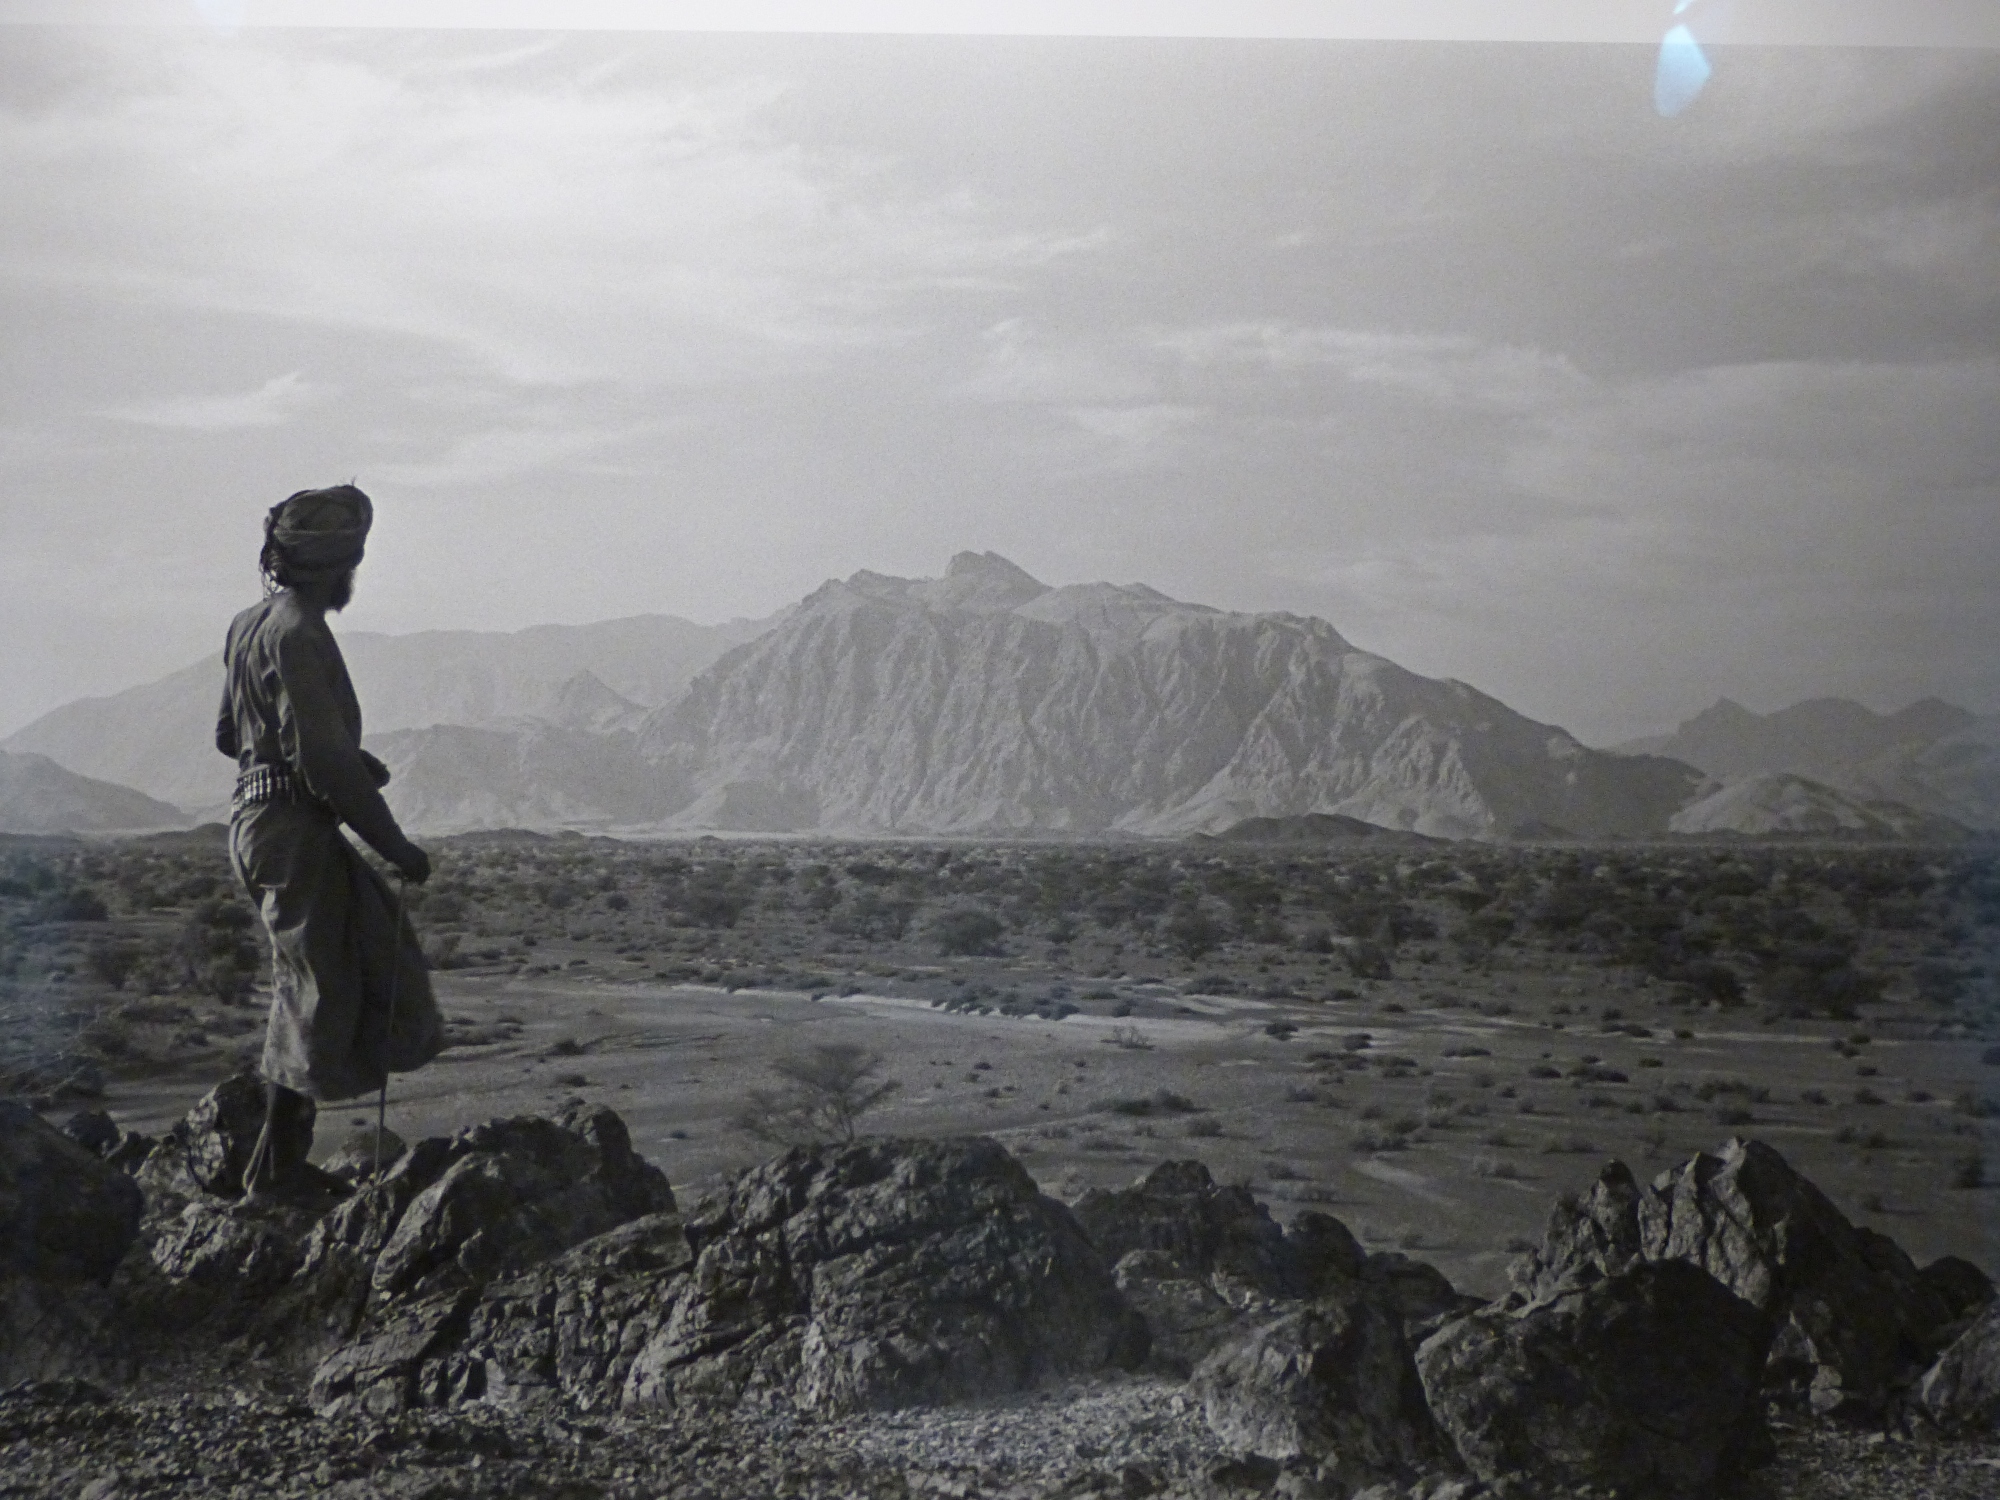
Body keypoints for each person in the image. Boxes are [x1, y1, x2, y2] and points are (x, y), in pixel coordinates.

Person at [216, 484, 441, 1197]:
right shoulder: (299, 633)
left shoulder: (248, 626)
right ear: (340, 565)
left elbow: (229, 737)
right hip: (290, 830)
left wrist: (332, 757)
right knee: (320, 986)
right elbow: (321, 761)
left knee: (326, 972)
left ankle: (274, 1165)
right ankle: (275, 1175)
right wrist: (395, 845)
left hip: (259, 824)